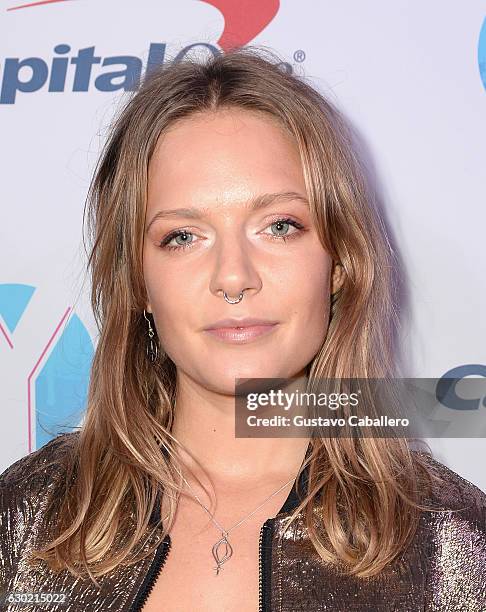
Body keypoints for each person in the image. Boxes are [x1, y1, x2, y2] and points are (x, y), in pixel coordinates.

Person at [1, 45, 485, 612]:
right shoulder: (30, 517)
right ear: (137, 283)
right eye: (182, 236)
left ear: (342, 263)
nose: (234, 276)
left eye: (279, 226)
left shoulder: (452, 546)